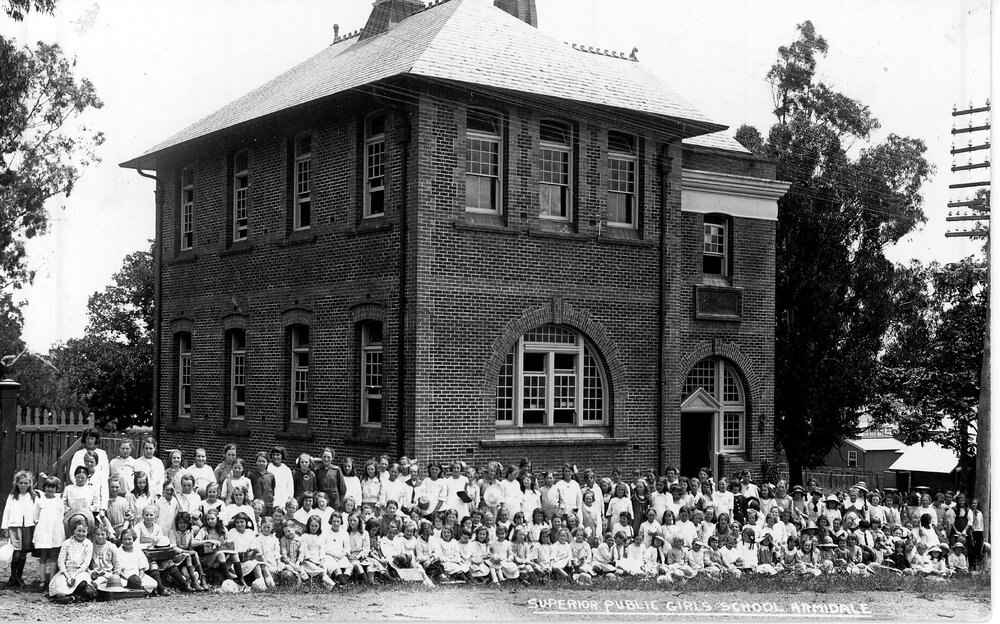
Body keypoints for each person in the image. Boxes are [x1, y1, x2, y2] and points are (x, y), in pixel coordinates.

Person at [2, 470, 38, 589]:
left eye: (25, 483)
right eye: (20, 483)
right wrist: (5, 527)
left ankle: (17, 576)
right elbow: (6, 512)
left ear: (30, 484)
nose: (23, 485)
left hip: (28, 527)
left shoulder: (33, 496)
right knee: (16, 552)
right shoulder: (12, 496)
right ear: (16, 483)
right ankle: (14, 575)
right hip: (15, 526)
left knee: (23, 553)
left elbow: (37, 511)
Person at [48, 518, 96, 604]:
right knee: (60, 593)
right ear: (74, 531)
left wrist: (74, 576)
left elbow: (86, 563)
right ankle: (72, 597)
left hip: (79, 572)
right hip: (66, 572)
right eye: (78, 531)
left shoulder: (88, 544)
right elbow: (61, 561)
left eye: (83, 531)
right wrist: (67, 577)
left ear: (87, 532)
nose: (81, 534)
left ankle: (73, 597)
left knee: (83, 584)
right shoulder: (67, 543)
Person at [33, 475, 65, 591]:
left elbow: (61, 516)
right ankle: (42, 579)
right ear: (44, 487)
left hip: (55, 531)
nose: (50, 489)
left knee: (53, 554)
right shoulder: (40, 500)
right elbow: (35, 517)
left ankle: (52, 578)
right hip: (43, 531)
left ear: (56, 489)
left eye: (53, 487)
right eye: (48, 487)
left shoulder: (59, 501)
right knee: (43, 555)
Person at [268, 447, 295, 511]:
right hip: (270, 498)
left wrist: (289, 499)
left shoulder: (286, 469)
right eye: (273, 454)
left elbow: (290, 487)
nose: (275, 457)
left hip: (283, 497)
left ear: (282, 456)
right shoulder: (268, 467)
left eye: (278, 455)